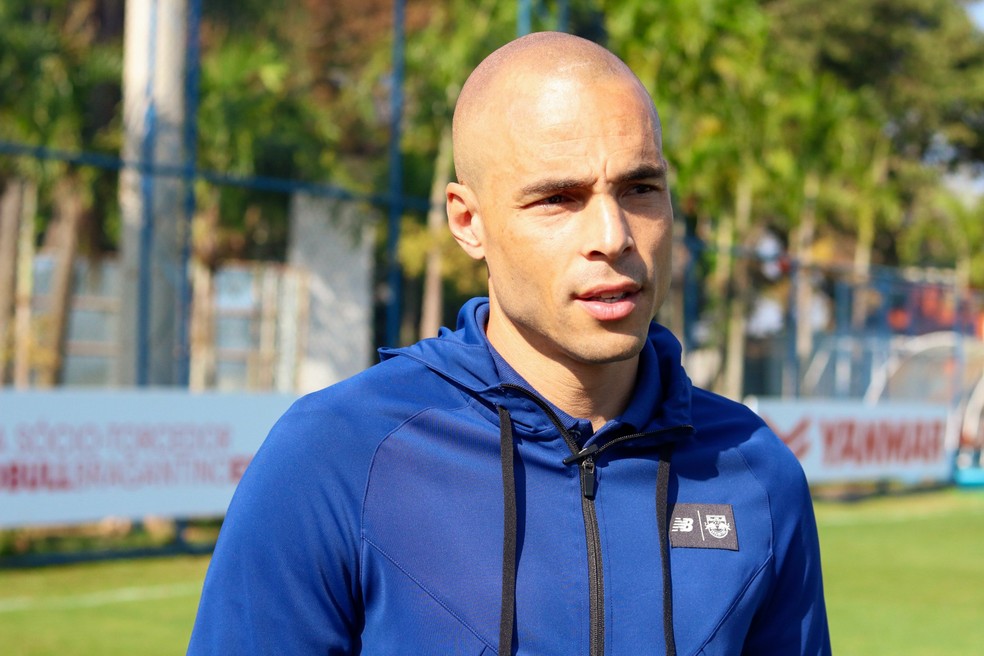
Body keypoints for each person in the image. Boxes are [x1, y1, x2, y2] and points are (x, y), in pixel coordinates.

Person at [188, 31, 830, 655]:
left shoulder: (756, 472)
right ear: (468, 221)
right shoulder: (335, 456)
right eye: (558, 198)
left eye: (640, 189)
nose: (613, 236)